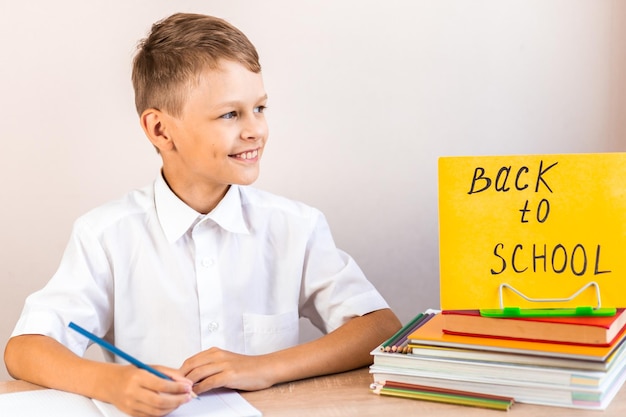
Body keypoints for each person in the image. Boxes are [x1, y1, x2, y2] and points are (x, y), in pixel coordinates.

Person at [4, 12, 402, 417]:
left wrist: (262, 368)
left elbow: (380, 327)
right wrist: (110, 383)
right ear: (161, 130)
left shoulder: (295, 227)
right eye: (230, 114)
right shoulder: (106, 235)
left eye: (260, 108)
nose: (255, 130)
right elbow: (24, 349)